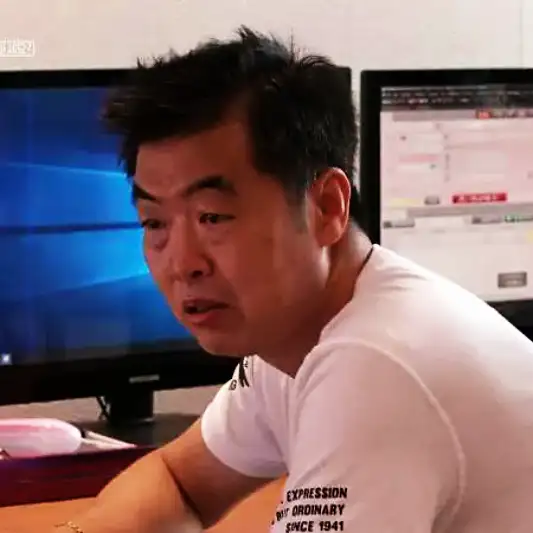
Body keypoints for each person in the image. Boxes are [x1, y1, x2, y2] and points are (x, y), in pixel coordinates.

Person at [53, 27, 533, 533]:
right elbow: (179, 482)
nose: (182, 263)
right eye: (154, 224)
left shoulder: (373, 365)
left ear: (327, 206)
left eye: (212, 217)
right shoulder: (295, 338)